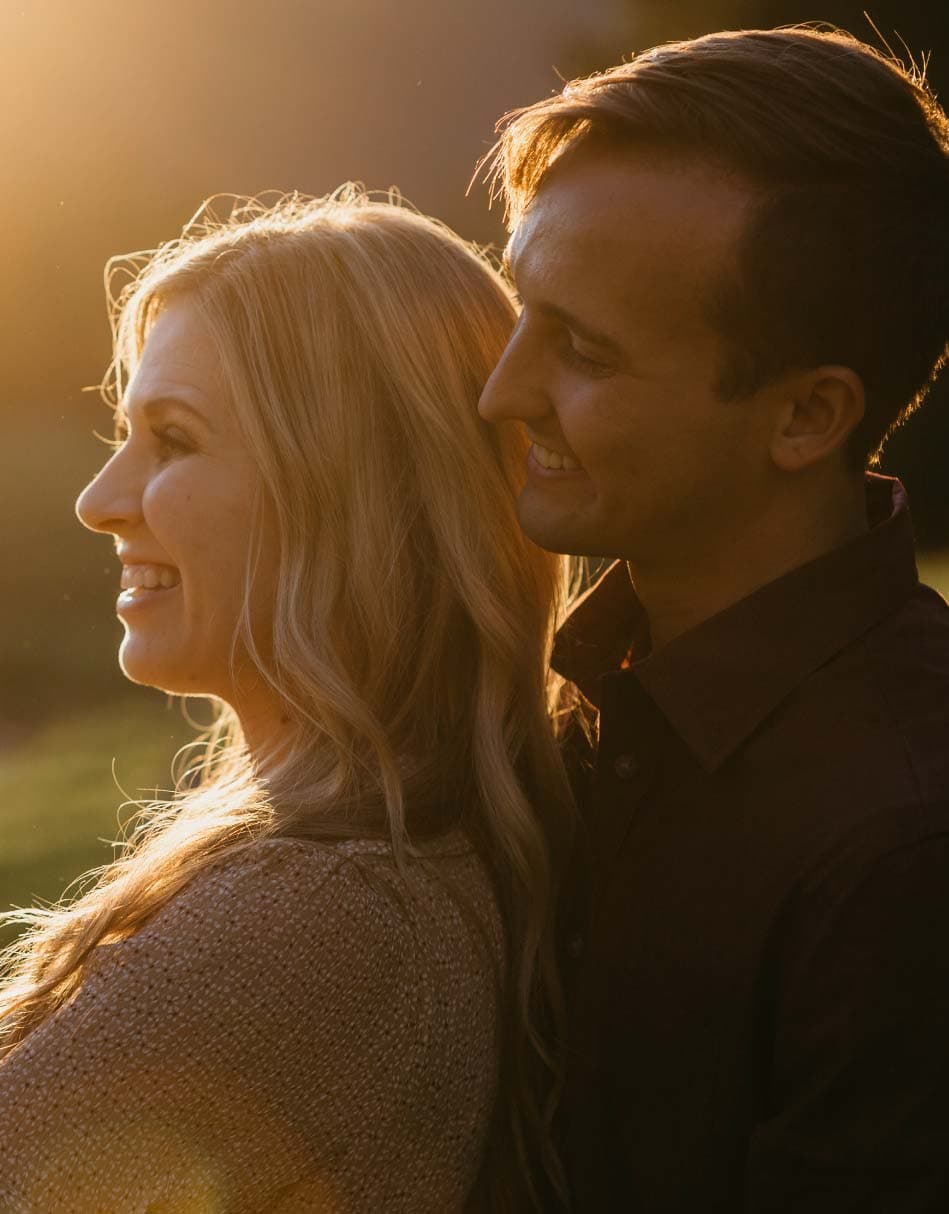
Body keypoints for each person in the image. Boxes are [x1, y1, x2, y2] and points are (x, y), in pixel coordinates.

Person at [0, 189, 574, 1212]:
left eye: (172, 439)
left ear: (346, 492)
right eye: (123, 430)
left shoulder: (322, 915)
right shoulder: (366, 873)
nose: (99, 499)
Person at [479, 26, 949, 1211]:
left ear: (804, 416)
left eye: (579, 348)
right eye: (519, 310)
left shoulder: (899, 846)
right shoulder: (566, 695)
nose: (502, 389)